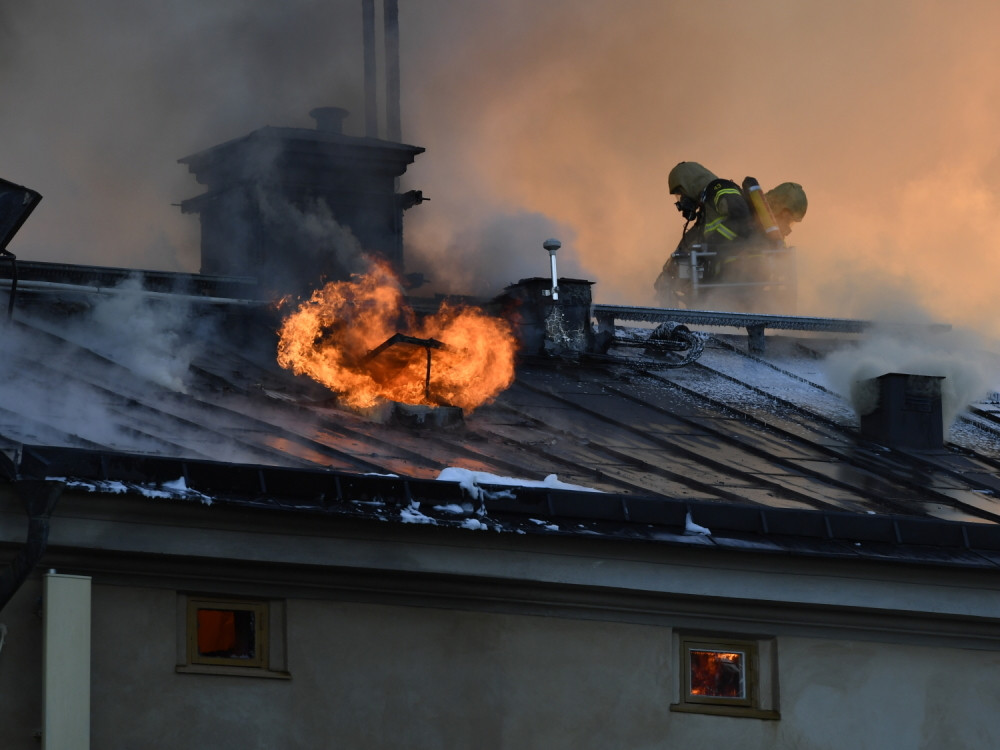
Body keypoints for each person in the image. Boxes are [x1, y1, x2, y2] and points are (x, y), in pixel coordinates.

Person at [654, 162, 755, 303]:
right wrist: (669, 269)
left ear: (689, 184)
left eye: (681, 194)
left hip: (740, 269)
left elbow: (740, 216)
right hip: (725, 274)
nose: (681, 200)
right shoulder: (707, 208)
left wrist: (711, 243)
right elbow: (691, 238)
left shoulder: (718, 187)